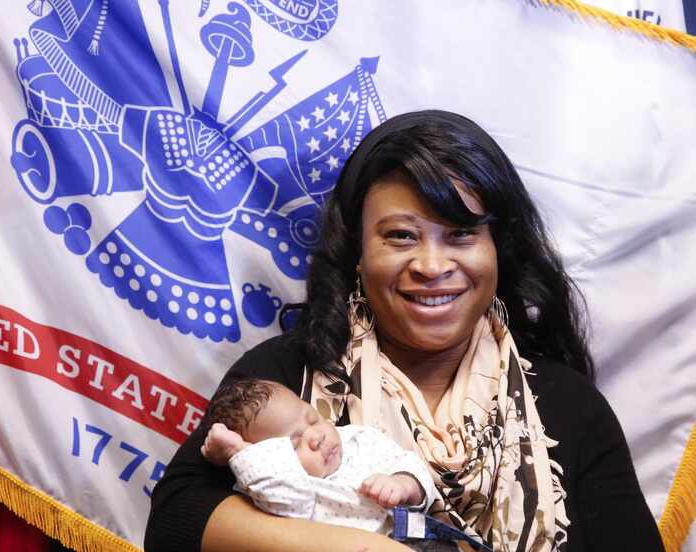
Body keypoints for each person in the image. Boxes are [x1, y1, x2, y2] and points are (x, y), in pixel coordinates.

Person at [144, 110, 663, 552]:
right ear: (358, 253)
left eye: (461, 234)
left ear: (498, 249)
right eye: (401, 236)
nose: (432, 265)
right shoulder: (285, 374)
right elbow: (174, 522)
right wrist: (360, 547)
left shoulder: (568, 404)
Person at [199, 378, 439, 536]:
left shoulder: (359, 440)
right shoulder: (283, 488)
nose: (316, 437)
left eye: (313, 419)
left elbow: (409, 463)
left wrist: (403, 483)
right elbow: (287, 500)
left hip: (418, 539)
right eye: (295, 444)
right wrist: (239, 451)